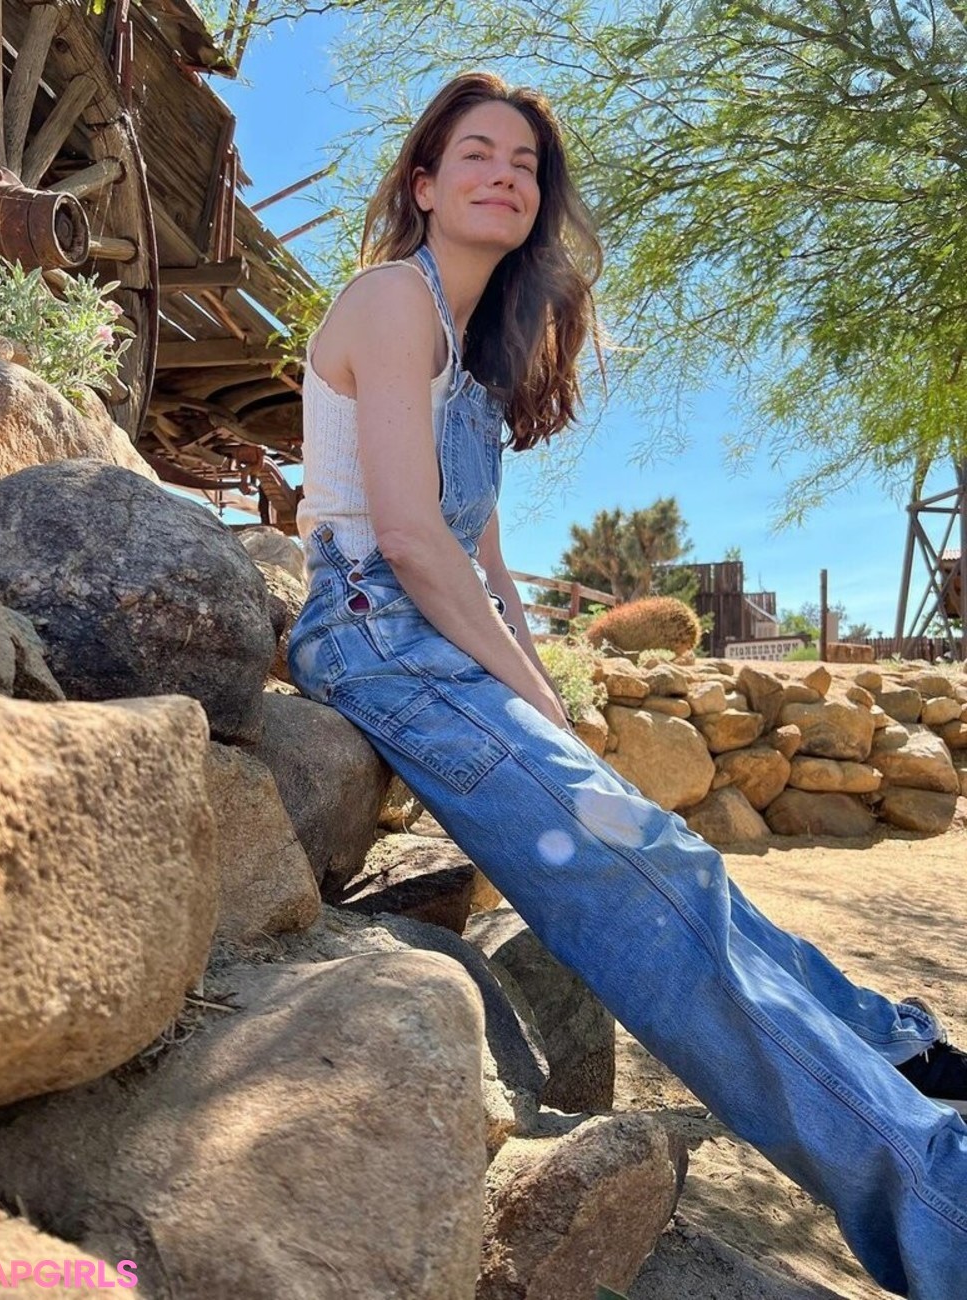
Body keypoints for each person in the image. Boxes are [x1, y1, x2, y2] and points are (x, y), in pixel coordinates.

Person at [287, 71, 967, 1298]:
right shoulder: (391, 300)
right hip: (375, 631)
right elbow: (410, 543)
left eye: (527, 165)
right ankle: (939, 1199)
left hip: (432, 632)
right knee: (637, 893)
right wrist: (542, 708)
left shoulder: (474, 358)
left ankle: (892, 1050)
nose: (505, 175)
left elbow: (484, 558)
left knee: (672, 859)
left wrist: (538, 689)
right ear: (424, 184)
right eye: (476, 154)